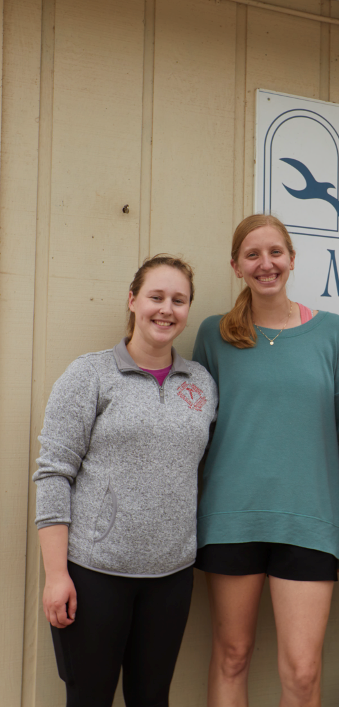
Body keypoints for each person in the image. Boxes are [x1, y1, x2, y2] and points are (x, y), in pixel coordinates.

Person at [33, 255, 218, 707]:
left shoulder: (202, 383)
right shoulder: (90, 375)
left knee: (152, 698)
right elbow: (54, 473)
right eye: (156, 296)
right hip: (96, 574)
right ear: (133, 300)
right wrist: (57, 576)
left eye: (179, 300)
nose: (166, 309)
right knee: (89, 697)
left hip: (171, 576)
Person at [192, 213, 339, 707]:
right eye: (252, 255)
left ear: (291, 259)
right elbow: (196, 432)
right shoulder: (214, 335)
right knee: (233, 655)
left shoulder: (331, 333)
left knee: (303, 673)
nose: (266, 264)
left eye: (275, 253)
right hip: (230, 518)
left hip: (310, 520)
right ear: (236, 266)